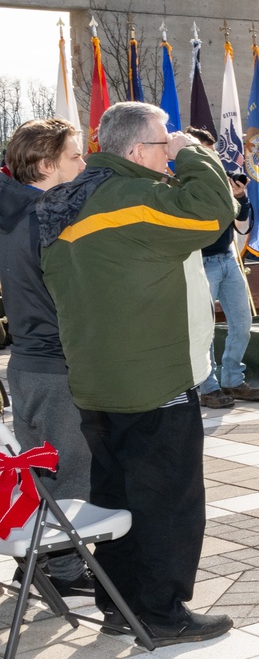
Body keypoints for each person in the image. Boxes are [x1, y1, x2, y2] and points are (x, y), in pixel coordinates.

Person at [38, 101, 235, 645]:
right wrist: (194, 153)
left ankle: (120, 604)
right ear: (135, 151)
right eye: (162, 145)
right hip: (151, 383)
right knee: (168, 503)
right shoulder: (128, 198)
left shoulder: (66, 201)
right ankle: (162, 613)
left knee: (117, 500)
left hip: (97, 383)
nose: (168, 156)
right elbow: (211, 213)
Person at [0, 118, 91, 595]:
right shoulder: (48, 219)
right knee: (72, 473)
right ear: (45, 165)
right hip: (56, 365)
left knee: (40, 471)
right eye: (75, 156)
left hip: (27, 365)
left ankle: (34, 563)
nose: (84, 163)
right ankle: (66, 574)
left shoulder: (15, 213)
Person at [185, 127, 259, 409]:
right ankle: (208, 387)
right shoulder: (183, 183)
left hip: (227, 258)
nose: (208, 155)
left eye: (210, 150)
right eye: (201, 149)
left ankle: (233, 379)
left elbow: (243, 227)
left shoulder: (222, 179)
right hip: (200, 261)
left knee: (242, 323)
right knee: (204, 328)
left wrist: (241, 198)